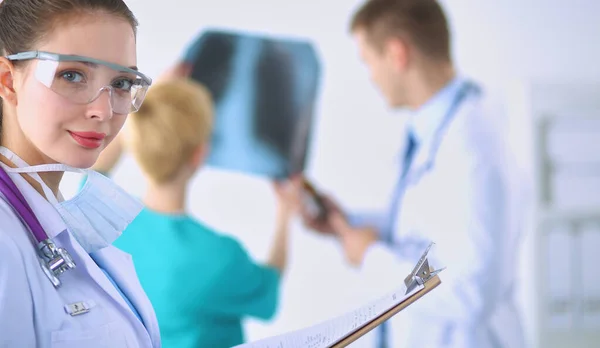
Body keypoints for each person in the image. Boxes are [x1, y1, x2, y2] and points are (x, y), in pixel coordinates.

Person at [296, 0, 527, 347]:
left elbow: (471, 291)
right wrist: (348, 224)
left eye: (368, 61)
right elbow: (429, 232)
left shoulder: (473, 145)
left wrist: (371, 257)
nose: (370, 76)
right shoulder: (437, 132)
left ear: (397, 53)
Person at [89, 77, 300, 348]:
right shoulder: (220, 256)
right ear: (199, 154)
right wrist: (285, 214)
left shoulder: (101, 218)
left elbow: (98, 171)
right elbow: (267, 288)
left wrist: (140, 109)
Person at [0, 0, 161, 347]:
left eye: (121, 82)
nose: (103, 111)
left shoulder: (53, 219)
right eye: (71, 75)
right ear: (8, 80)